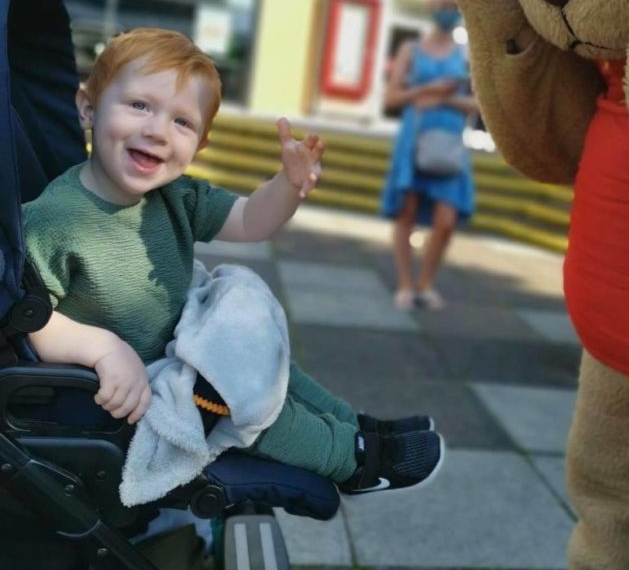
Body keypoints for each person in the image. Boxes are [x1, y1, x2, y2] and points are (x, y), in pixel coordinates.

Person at [22, 28, 443, 495]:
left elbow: (248, 221)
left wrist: (287, 184)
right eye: (139, 105)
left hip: (187, 343)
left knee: (270, 364)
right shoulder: (54, 220)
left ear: (199, 145)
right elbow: (23, 313)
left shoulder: (174, 196)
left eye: (182, 122)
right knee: (251, 404)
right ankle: (353, 460)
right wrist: (100, 348)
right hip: (143, 386)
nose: (158, 130)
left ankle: (351, 424)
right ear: (88, 108)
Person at [381, 0, 478, 311]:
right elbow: (391, 97)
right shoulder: (411, 50)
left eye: (454, 7)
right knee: (406, 214)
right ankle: (407, 285)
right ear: (431, 8)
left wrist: (444, 98)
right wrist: (426, 90)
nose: (448, 13)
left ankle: (426, 284)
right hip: (414, 140)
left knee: (446, 221)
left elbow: (479, 105)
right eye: (443, 6)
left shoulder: (467, 54)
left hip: (449, 144)